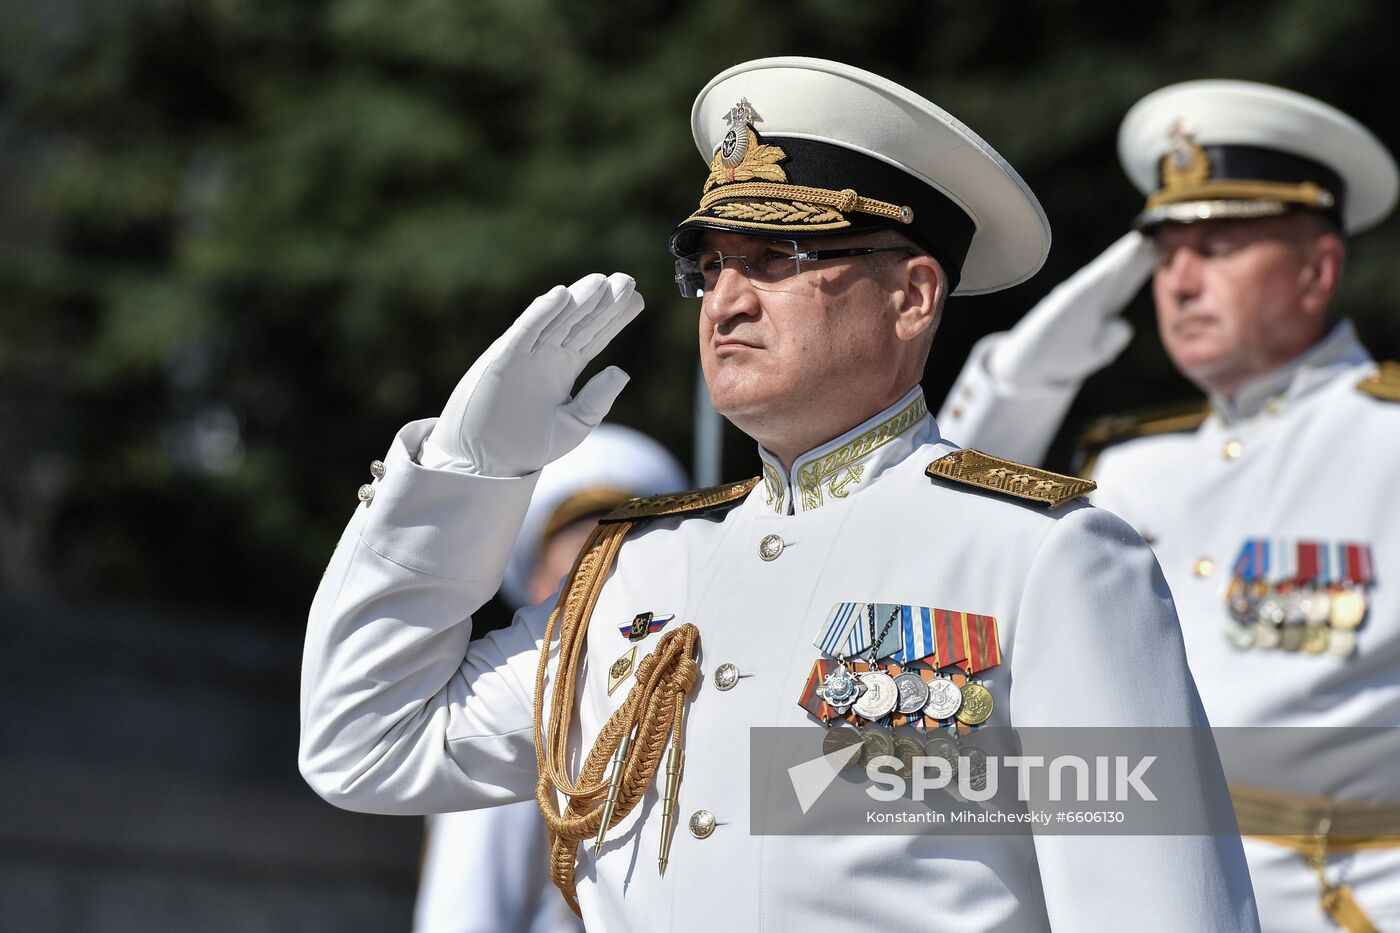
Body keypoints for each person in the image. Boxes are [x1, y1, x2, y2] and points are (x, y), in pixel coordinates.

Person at [300, 58, 1259, 930]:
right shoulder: (636, 571)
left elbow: (1162, 911)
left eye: (779, 260)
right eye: (711, 266)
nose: (727, 298)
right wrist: (463, 477)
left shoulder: (1043, 556)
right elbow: (362, 742)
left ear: (913, 296)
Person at [936, 80, 1400, 932]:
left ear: (1318, 269)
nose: (1179, 282)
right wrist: (1024, 374)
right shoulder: (1127, 458)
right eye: (1163, 252)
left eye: (1217, 247)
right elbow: (945, 512)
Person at [414, 425, 686, 933]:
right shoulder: (516, 724)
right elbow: (464, 918)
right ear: (541, 590)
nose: (614, 586)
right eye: (585, 572)